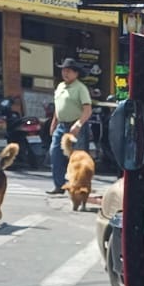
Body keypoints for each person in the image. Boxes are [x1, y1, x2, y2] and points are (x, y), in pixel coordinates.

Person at [49, 58, 93, 197]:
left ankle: (79, 188)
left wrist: (79, 124)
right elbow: (58, 107)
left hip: (76, 125)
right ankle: (59, 185)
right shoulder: (60, 86)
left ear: (76, 73)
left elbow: (87, 109)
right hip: (61, 125)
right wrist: (53, 123)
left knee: (78, 159)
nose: (65, 73)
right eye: (63, 70)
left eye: (68, 71)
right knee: (54, 152)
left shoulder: (80, 88)